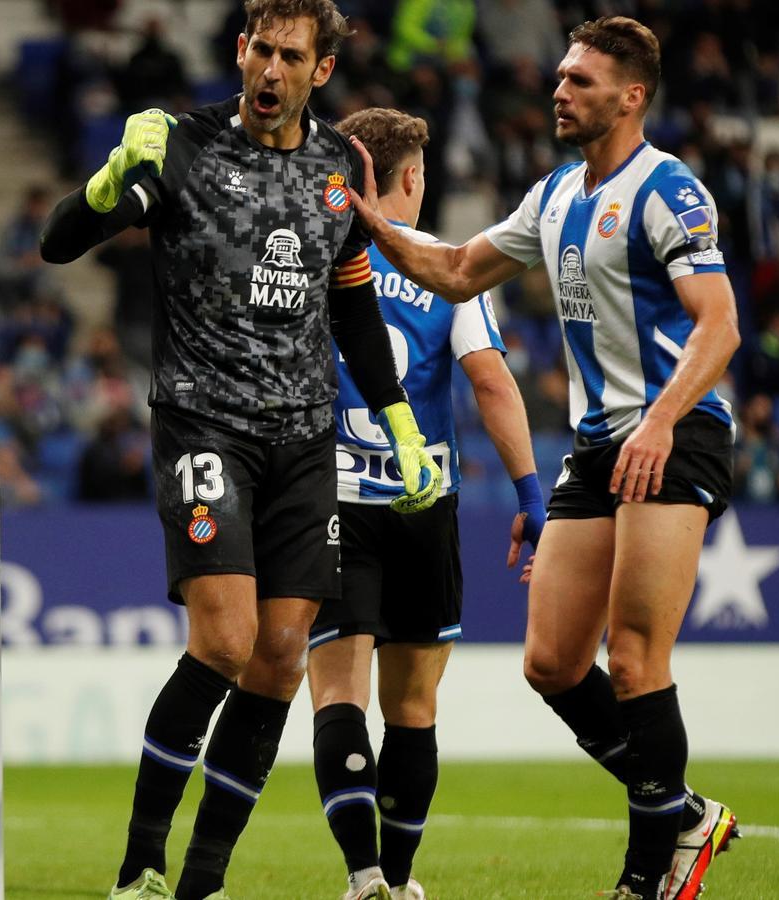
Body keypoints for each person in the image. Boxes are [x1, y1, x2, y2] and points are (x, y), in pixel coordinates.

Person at [41, 3, 443, 898]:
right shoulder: (179, 145)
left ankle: (202, 880)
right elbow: (60, 242)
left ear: (321, 72)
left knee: (280, 657)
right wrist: (113, 177)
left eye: (289, 56)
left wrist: (399, 420)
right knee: (223, 641)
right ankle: (141, 864)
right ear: (239, 51)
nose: (269, 69)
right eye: (259, 49)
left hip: (304, 439)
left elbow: (352, 306)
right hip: (204, 421)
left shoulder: (342, 168)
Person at [342, 17, 741, 900]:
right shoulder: (556, 195)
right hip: (600, 444)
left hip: (673, 432)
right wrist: (369, 222)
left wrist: (661, 421)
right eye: (560, 76)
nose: (559, 91)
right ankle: (683, 813)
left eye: (582, 81)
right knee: (553, 663)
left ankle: (648, 878)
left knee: (636, 656)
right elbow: (453, 271)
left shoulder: (670, 193)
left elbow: (721, 326)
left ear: (632, 96)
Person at [306, 107, 544, 900]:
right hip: (422, 504)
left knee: (339, 693)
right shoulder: (448, 266)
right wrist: (527, 489)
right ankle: (401, 880)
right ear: (411, 178)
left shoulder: (310, 256)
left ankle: (364, 874)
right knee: (413, 706)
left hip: (331, 500)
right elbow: (489, 381)